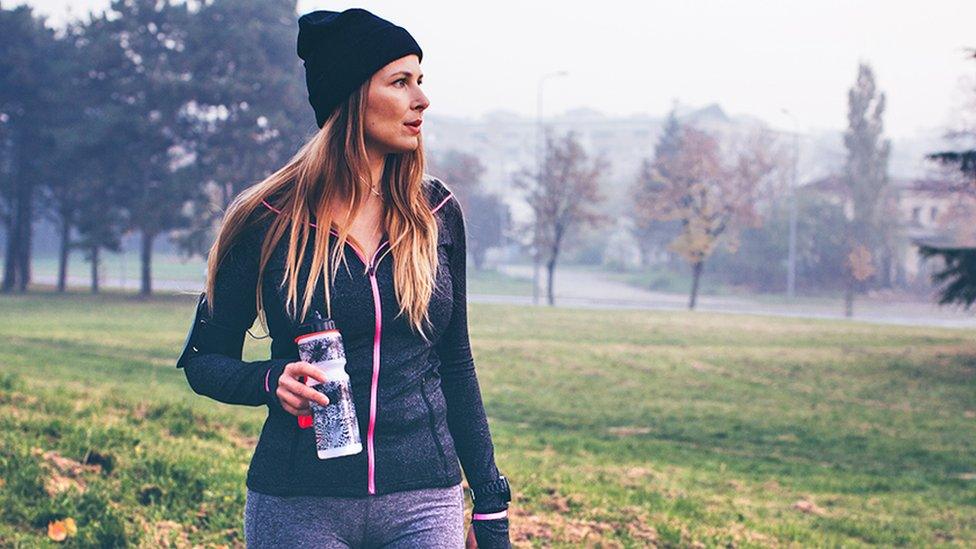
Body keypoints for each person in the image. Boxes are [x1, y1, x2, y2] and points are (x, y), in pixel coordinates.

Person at [176, 8, 511, 548]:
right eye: (400, 82)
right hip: (298, 503)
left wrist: (491, 508)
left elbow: (456, 361)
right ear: (352, 98)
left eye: (420, 81)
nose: (421, 99)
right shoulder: (266, 219)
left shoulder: (436, 214)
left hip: (425, 498)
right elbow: (203, 361)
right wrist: (271, 380)